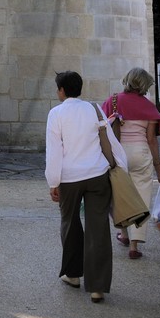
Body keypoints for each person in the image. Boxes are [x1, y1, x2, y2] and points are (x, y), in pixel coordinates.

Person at [46, 69, 127, 303]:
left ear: (61, 90)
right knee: (98, 228)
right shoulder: (94, 109)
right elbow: (109, 140)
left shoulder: (56, 113)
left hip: (69, 178)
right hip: (97, 175)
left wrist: (53, 182)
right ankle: (97, 287)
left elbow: (54, 151)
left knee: (69, 223)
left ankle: (73, 274)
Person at [101, 67, 160, 260]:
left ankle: (123, 233)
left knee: (120, 194)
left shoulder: (113, 101)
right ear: (145, 85)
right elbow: (152, 140)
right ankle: (134, 245)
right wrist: (159, 168)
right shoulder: (148, 107)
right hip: (140, 152)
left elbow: (101, 129)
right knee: (141, 196)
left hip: (118, 154)